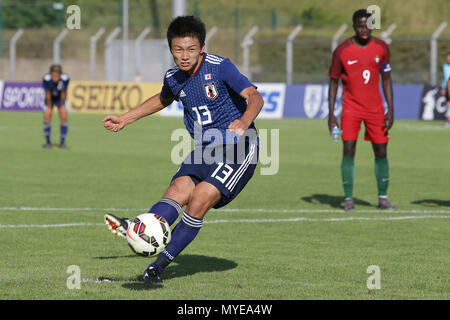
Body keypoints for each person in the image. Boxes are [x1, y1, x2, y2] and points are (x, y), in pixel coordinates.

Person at [102, 16, 264, 284]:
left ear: (202, 47)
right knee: (176, 191)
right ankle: (141, 229)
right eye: (178, 50)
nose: (184, 56)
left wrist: (245, 121)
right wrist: (124, 118)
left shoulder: (220, 67)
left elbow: (254, 96)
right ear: (170, 49)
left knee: (199, 199)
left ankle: (158, 266)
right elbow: (162, 99)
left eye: (190, 49)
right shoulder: (174, 77)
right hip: (204, 148)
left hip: (239, 148)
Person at [328, 9, 395, 212]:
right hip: (351, 109)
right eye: (359, 26)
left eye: (367, 25)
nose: (363, 29)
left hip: (375, 109)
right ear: (354, 26)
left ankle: (383, 197)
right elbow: (333, 82)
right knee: (348, 150)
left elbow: (386, 79)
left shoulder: (382, 48)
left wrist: (391, 108)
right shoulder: (342, 51)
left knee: (381, 151)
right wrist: (331, 114)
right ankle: (348, 199)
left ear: (372, 26)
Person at [42, 64, 70, 149]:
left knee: (63, 115)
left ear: (60, 74)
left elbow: (63, 93)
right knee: (47, 114)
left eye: (57, 75)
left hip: (60, 99)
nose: (55, 77)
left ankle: (62, 143)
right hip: (50, 98)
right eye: (53, 75)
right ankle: (48, 142)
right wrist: (49, 106)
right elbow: (47, 94)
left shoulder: (65, 79)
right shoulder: (46, 79)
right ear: (50, 74)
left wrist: (61, 106)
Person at [440, 53, 450, 127]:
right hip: (447, 87)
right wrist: (443, 87)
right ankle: (448, 121)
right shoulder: (445, 66)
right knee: (448, 103)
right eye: (447, 58)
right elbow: (444, 77)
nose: (448, 59)